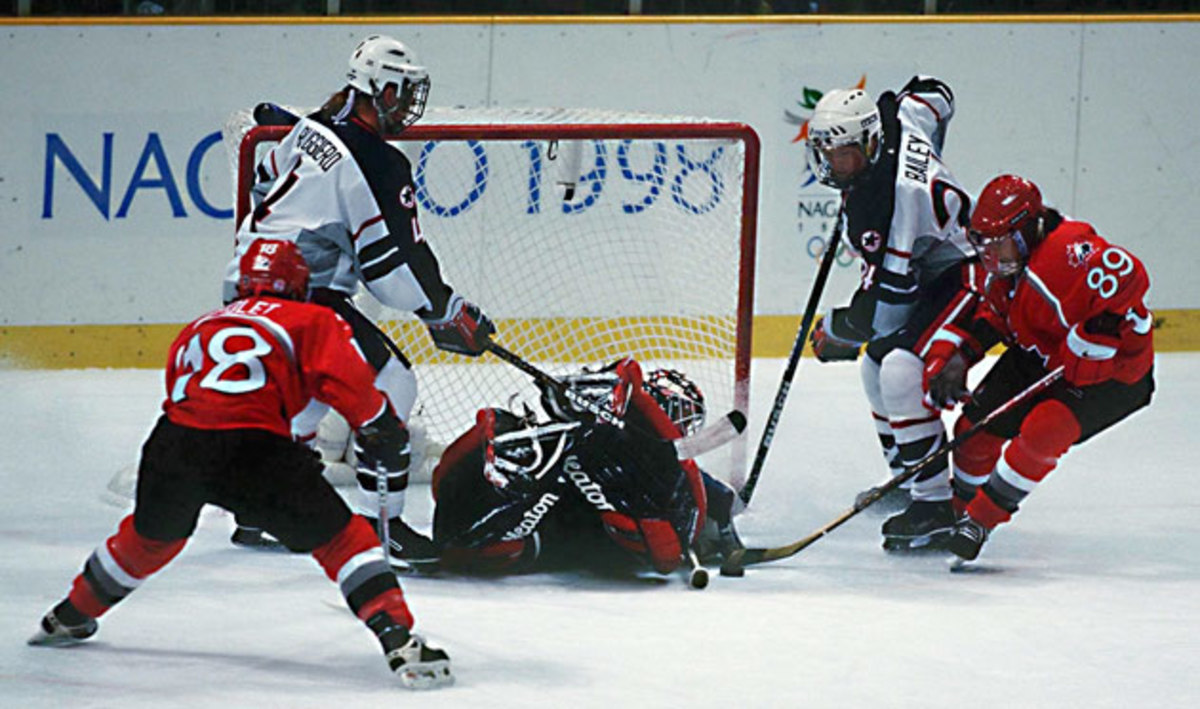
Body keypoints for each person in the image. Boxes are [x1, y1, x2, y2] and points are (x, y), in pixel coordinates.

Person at [29, 240, 453, 688]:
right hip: (254, 450)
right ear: (300, 285)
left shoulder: (202, 324)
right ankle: (399, 639)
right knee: (343, 541)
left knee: (151, 537)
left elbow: (184, 390)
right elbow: (351, 389)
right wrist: (382, 426)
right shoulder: (313, 318)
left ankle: (68, 615)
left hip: (174, 443)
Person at [223, 34, 495, 562]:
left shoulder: (306, 129)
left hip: (244, 285)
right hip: (304, 298)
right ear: (381, 88)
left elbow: (263, 184)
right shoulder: (378, 160)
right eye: (402, 92)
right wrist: (445, 310)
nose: (409, 105)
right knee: (393, 382)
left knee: (314, 389)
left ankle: (265, 508)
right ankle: (380, 529)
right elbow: (391, 268)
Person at [919, 174, 1155, 561]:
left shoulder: (1065, 252)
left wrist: (1103, 329)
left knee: (1045, 429)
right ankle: (957, 511)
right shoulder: (1010, 270)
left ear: (1029, 230)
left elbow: (1126, 271)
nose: (992, 257)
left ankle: (979, 521)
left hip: (1112, 378)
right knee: (972, 432)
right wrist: (960, 357)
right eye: (985, 245)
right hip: (1044, 356)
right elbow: (995, 316)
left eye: (1000, 243)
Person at [802, 77, 975, 551]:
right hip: (932, 267)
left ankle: (935, 505)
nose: (833, 165)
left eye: (843, 155)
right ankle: (904, 477)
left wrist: (841, 330)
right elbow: (938, 93)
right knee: (875, 365)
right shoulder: (897, 116)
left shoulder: (898, 203)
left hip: (968, 276)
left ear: (872, 144)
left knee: (897, 368)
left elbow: (891, 305)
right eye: (827, 152)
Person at [429, 358, 743, 577]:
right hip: (565, 516)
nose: (681, 426)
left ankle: (515, 472)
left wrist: (726, 536)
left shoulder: (668, 469)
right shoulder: (622, 432)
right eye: (680, 415)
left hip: (574, 535)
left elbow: (718, 496)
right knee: (550, 450)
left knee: (525, 537)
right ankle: (517, 462)